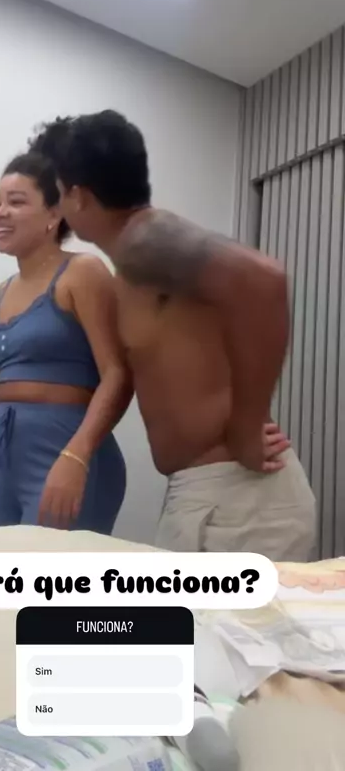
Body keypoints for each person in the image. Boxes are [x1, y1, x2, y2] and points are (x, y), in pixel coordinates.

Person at [28, 110, 316, 560]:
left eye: (58, 193)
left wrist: (246, 426)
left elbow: (264, 281)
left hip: (240, 496)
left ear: (78, 196)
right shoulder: (132, 262)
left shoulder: (145, 240)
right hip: (205, 493)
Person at [0, 150, 130, 531]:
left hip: (68, 457)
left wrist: (77, 456)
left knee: (49, 568)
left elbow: (118, 374)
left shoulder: (82, 272)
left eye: (15, 202)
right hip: (8, 465)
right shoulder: (3, 291)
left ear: (54, 214)